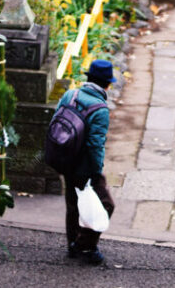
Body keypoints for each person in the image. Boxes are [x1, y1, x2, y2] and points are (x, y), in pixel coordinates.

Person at [58, 59, 116, 265]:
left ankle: (73, 244)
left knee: (73, 204)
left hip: (65, 159)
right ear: (107, 84)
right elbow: (95, 145)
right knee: (106, 204)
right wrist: (96, 171)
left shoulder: (70, 94)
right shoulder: (100, 109)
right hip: (84, 165)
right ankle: (85, 245)